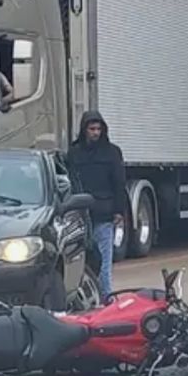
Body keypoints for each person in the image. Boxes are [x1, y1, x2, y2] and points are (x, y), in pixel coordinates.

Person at [66, 110, 126, 302]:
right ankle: (83, 299)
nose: (95, 133)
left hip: (104, 214)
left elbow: (119, 183)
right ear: (84, 130)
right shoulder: (74, 152)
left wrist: (119, 210)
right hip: (80, 216)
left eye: (98, 129)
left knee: (104, 262)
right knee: (79, 261)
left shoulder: (112, 152)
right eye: (92, 129)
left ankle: (107, 298)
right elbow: (69, 181)